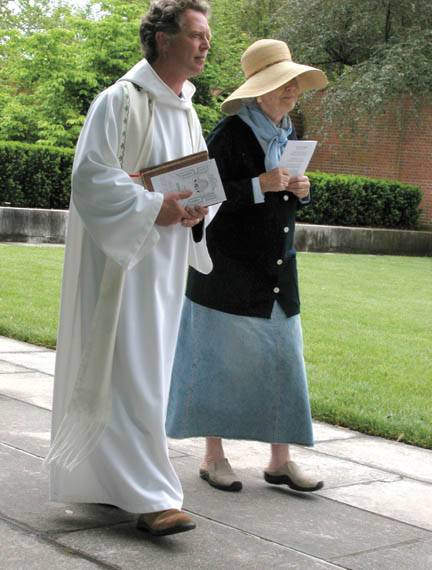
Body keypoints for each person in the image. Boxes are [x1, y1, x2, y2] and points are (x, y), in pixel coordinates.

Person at [46, 0, 213, 536]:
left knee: (146, 373)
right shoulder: (119, 100)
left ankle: (110, 482)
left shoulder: (188, 109)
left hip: (164, 265)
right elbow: (91, 178)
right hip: (122, 265)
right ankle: (153, 496)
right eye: (197, 34)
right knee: (131, 370)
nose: (206, 44)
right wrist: (152, 207)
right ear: (163, 39)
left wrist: (199, 208)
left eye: (206, 36)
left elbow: (201, 180)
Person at [166, 39, 328, 493]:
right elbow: (201, 195)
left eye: (294, 83)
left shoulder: (289, 132)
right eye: (282, 84)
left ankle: (280, 461)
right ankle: (213, 456)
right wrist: (258, 184)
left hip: (277, 270)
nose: (291, 90)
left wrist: (301, 191)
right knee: (217, 364)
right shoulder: (229, 133)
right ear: (260, 90)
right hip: (227, 270)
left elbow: (281, 202)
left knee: (283, 362)